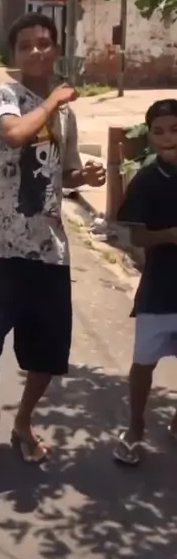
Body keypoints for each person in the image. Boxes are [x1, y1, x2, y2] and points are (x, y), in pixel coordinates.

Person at [0, 12, 106, 469]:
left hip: (48, 249)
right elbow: (14, 135)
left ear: (56, 49)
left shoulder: (64, 115)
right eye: (25, 45)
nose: (35, 51)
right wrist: (53, 101)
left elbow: (63, 172)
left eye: (43, 43)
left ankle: (23, 421)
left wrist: (83, 176)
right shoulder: (7, 97)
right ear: (14, 54)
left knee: (47, 351)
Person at [114, 99, 177, 465]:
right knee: (143, 364)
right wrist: (168, 235)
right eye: (159, 131)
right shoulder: (146, 181)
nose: (168, 137)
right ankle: (135, 428)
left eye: (175, 129)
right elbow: (135, 237)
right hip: (159, 288)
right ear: (150, 136)